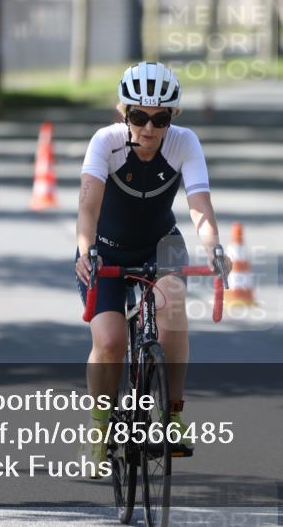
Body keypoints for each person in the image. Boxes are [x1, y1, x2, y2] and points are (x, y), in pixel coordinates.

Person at [74, 61, 231, 467]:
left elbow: (200, 207)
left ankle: (172, 414)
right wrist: (86, 250)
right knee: (110, 342)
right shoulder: (105, 142)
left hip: (161, 245)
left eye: (160, 119)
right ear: (122, 112)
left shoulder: (184, 142)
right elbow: (88, 208)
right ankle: (99, 428)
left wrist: (214, 248)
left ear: (172, 117)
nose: (148, 128)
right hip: (105, 249)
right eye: (139, 116)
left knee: (172, 308)